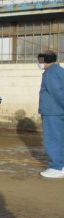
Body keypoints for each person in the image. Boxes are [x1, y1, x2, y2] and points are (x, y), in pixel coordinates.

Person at [37, 50, 64, 179]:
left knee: (52, 139)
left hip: (52, 111)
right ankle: (61, 165)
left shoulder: (50, 73)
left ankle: (56, 167)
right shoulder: (59, 70)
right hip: (58, 111)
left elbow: (57, 92)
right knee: (59, 138)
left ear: (43, 61)